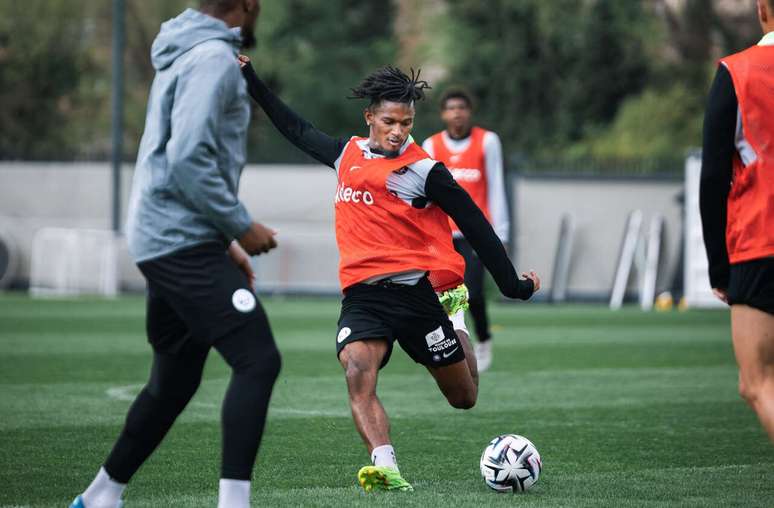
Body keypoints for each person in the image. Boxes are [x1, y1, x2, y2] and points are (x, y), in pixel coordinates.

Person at [240, 59, 540, 491]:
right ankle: (385, 464)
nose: (398, 131)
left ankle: (454, 321)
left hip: (417, 296)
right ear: (370, 118)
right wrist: (250, 78)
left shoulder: (424, 171)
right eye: (389, 121)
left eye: (406, 122)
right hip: (364, 296)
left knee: (464, 396)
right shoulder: (346, 155)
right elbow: (295, 128)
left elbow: (476, 226)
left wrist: (513, 286)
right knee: (357, 367)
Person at [70, 2, 281, 508]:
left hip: (167, 235)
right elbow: (187, 158)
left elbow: (168, 154)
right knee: (257, 359)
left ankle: (101, 495)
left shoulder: (183, 50)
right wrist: (240, 226)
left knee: (177, 377)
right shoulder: (212, 59)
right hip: (177, 239)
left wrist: (222, 243)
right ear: (248, 5)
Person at [700, 0, 774, 443]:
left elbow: (713, 178)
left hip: (761, 242)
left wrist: (718, 266)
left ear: (762, 8)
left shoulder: (738, 70)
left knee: (758, 382)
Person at [422, 89, 509, 372]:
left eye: (462, 107)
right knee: (441, 293)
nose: (457, 112)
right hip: (443, 234)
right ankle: (448, 347)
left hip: (475, 232)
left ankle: (483, 339)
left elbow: (496, 185)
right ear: (443, 114)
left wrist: (501, 232)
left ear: (469, 111)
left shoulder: (488, 141)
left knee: (473, 292)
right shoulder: (432, 145)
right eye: (451, 108)